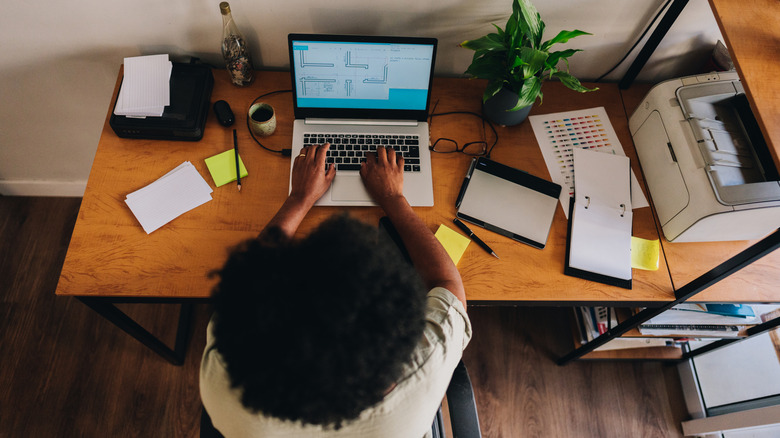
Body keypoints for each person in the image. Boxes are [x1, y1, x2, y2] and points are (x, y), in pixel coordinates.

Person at [200, 144, 471, 437]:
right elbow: (447, 285)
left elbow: (250, 280)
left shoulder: (225, 371)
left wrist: (300, 198)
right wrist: (393, 198)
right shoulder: (423, 368)